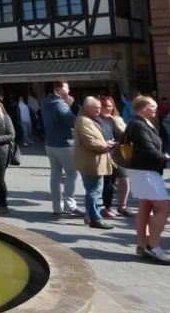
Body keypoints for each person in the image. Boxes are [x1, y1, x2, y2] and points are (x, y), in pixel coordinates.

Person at [124, 96, 170, 264]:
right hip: (145, 171)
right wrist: (165, 157)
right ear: (143, 108)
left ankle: (141, 245)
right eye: (153, 106)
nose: (156, 109)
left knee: (145, 207)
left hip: (141, 170)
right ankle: (153, 246)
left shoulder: (140, 123)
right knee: (164, 208)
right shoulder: (138, 124)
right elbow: (147, 148)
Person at [74, 97, 117, 230]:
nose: (99, 110)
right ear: (87, 108)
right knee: (94, 191)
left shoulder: (89, 119)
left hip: (94, 161)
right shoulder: (84, 121)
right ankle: (95, 218)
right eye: (96, 108)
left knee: (93, 190)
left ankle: (91, 216)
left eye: (99, 108)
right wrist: (107, 144)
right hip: (91, 162)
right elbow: (90, 142)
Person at [42, 81, 84, 217]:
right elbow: (73, 122)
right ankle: (69, 205)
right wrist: (71, 105)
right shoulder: (60, 104)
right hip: (64, 144)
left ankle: (57, 207)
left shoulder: (45, 102)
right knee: (72, 174)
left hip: (50, 143)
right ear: (59, 89)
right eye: (67, 87)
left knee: (55, 175)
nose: (69, 89)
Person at [97, 97, 129, 219]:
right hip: (106, 154)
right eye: (104, 106)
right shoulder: (97, 121)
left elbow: (125, 133)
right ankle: (106, 207)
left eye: (110, 106)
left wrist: (116, 121)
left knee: (124, 179)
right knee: (108, 182)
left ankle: (123, 206)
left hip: (119, 153)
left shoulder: (117, 119)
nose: (107, 109)